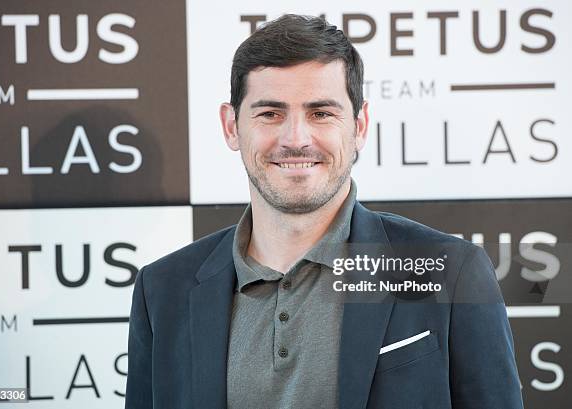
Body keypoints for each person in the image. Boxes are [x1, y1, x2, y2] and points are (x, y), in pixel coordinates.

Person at [125, 14, 523, 409]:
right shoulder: (163, 290)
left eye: (321, 113)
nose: (295, 139)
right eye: (270, 113)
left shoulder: (448, 272)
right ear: (231, 126)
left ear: (360, 125)